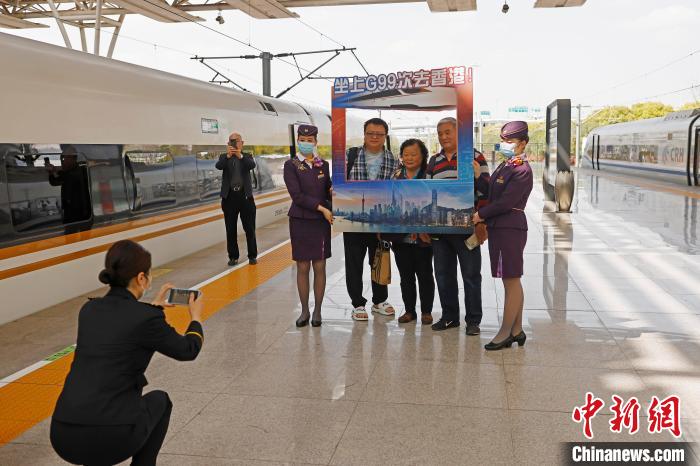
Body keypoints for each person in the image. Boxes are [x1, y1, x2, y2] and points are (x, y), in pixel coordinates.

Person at [50, 239, 204, 466]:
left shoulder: (89, 310)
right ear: (141, 278)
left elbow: (123, 322)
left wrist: (154, 307)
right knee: (161, 401)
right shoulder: (146, 318)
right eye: (148, 275)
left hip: (63, 434)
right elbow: (188, 350)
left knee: (100, 416)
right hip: (112, 437)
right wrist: (196, 317)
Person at [473, 121, 533, 351]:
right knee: (511, 279)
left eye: (511, 141)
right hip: (500, 227)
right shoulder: (507, 165)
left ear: (524, 143)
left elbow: (506, 201)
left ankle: (505, 332)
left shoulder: (521, 169)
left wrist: (480, 215)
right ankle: (517, 330)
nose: (505, 144)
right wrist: (479, 176)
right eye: (504, 140)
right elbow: (492, 190)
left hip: (510, 227)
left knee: (511, 279)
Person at [427, 117, 490, 334]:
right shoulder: (434, 161)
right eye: (440, 133)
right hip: (439, 229)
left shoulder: (475, 157)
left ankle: (473, 321)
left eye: (447, 132)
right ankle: (449, 317)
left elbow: (486, 191)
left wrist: (481, 222)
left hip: (467, 229)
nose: (443, 137)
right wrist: (426, 226)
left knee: (471, 275)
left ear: (459, 133)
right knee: (443, 275)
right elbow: (426, 194)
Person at [344, 117, 399, 321]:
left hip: (381, 222)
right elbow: (338, 184)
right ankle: (357, 303)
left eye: (379, 134)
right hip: (354, 219)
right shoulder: (349, 156)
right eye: (370, 133)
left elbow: (398, 190)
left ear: (385, 136)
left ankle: (380, 300)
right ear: (364, 134)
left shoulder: (393, 160)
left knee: (380, 260)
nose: (374, 137)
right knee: (354, 263)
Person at [283, 124, 333, 327]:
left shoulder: (323, 165)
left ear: (315, 142)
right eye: (302, 140)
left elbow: (327, 188)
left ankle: (318, 311)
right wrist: (322, 208)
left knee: (319, 266)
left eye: (309, 140)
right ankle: (304, 311)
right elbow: (297, 196)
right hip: (301, 220)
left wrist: (333, 193)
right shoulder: (291, 165)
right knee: (302, 266)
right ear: (298, 141)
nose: (305, 143)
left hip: (320, 224)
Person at [390, 139, 435, 325]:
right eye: (405, 154)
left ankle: (426, 312)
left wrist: (424, 226)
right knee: (405, 276)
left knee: (425, 274)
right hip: (400, 237)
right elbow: (390, 203)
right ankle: (409, 311)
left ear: (423, 156)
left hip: (424, 237)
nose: (408, 158)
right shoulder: (396, 175)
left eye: (413, 154)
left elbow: (434, 203)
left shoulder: (429, 176)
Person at [216, 131, 258, 266]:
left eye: (236, 140)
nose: (233, 143)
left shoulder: (247, 156)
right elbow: (218, 166)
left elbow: (252, 165)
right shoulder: (224, 157)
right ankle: (233, 256)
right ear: (228, 144)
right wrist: (228, 155)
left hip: (245, 197)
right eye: (231, 141)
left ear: (242, 143)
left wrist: (239, 155)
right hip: (229, 198)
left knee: (249, 228)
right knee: (230, 229)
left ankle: (252, 255)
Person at [45, 144, 92, 233]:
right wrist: (52, 172)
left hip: (77, 214)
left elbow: (57, 180)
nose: (63, 161)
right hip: (80, 213)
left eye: (65, 158)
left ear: (73, 159)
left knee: (73, 236)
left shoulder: (73, 173)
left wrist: (53, 171)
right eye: (63, 158)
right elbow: (55, 181)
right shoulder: (76, 170)